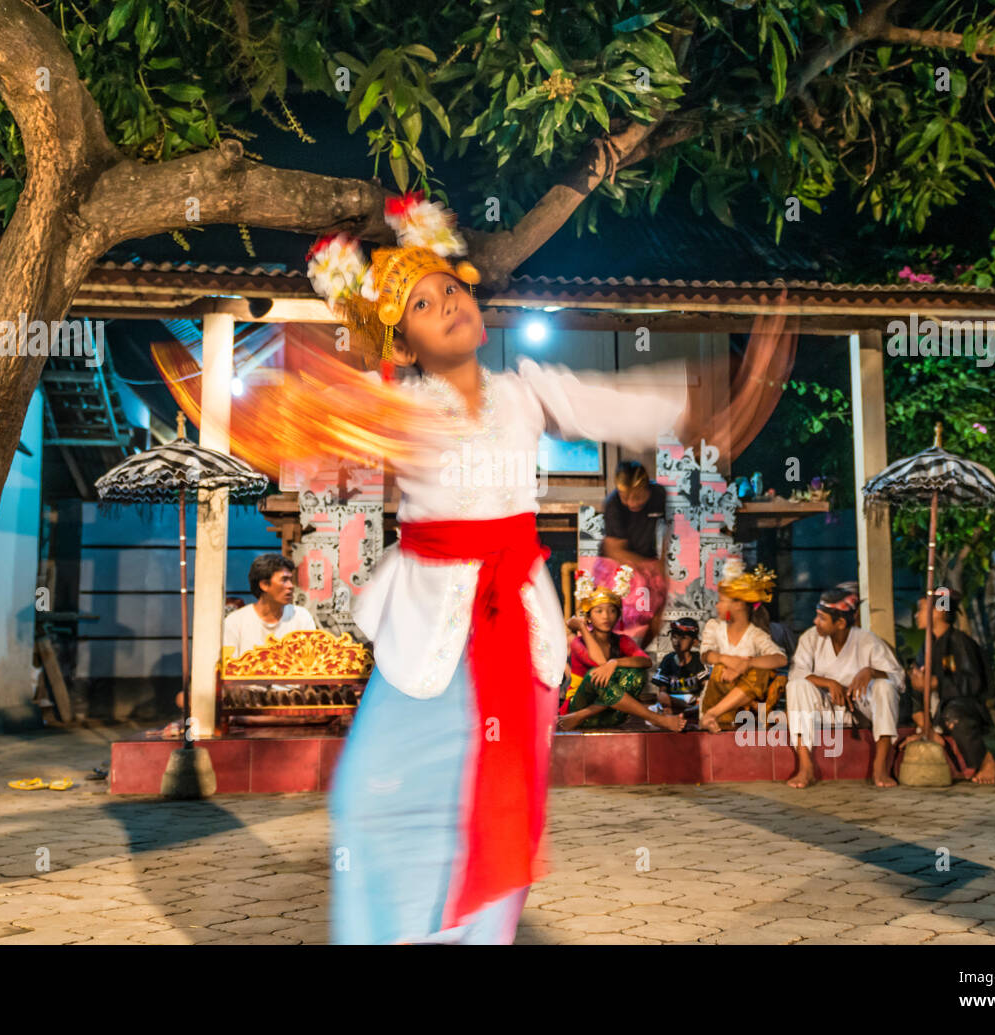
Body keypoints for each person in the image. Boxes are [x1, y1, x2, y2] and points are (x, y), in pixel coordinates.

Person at [301, 194, 734, 944]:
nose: (448, 304)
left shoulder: (525, 390)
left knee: (496, 803)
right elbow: (330, 418)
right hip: (429, 631)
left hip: (515, 626)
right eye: (423, 303)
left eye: (451, 287)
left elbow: (613, 403)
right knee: (369, 793)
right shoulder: (405, 411)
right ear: (401, 342)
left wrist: (698, 399)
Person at [785, 587, 904, 789]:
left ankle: (880, 766)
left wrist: (871, 672)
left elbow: (899, 678)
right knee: (796, 686)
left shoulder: (867, 640)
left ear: (840, 623)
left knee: (885, 686)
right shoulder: (810, 638)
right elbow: (796, 673)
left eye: (822, 618)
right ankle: (806, 766)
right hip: (825, 711)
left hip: (862, 711)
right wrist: (830, 683)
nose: (815, 622)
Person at [557, 568, 681, 732]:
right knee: (596, 674)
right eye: (599, 611)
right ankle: (657, 719)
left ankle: (584, 715)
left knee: (636, 674)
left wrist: (615, 662)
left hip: (608, 716)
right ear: (588, 616)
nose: (606, 616)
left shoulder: (622, 641)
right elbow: (599, 662)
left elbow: (645, 661)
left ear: (618, 615)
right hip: (575, 708)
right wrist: (582, 627)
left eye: (612, 610)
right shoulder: (578, 642)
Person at [909, 588, 995, 784]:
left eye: (921, 609)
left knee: (955, 716)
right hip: (935, 703)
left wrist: (935, 683)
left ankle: (985, 760)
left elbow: (972, 683)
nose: (916, 615)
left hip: (962, 705)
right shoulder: (927, 645)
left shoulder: (960, 642)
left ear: (939, 612)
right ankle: (929, 731)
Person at [697, 562, 788, 732]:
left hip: (742, 711)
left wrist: (746, 664)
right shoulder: (714, 626)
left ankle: (714, 713)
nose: (717, 605)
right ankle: (712, 714)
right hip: (715, 698)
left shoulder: (756, 634)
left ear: (738, 605)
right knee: (719, 668)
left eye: (722, 601)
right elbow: (705, 655)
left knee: (761, 668)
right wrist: (728, 661)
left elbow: (780, 658)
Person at [597, 460, 669, 647]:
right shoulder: (613, 505)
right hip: (618, 561)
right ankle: (616, 653)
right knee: (631, 603)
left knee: (660, 604)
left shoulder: (659, 495)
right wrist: (646, 568)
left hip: (647, 558)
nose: (631, 503)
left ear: (647, 488)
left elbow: (666, 531)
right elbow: (614, 549)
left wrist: (662, 561)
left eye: (637, 496)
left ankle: (639, 654)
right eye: (625, 497)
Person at [222, 553, 317, 656]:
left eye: (291, 580)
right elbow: (230, 667)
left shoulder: (301, 617)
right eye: (284, 580)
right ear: (264, 585)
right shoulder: (235, 622)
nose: (291, 586)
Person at [650, 617, 707, 724]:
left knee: (702, 703)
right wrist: (666, 699)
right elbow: (662, 692)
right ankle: (681, 713)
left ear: (694, 642)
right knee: (660, 701)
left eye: (683, 638)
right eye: (674, 637)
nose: (678, 641)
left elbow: (706, 687)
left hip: (694, 701)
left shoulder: (698, 660)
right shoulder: (668, 659)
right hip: (674, 701)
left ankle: (685, 712)